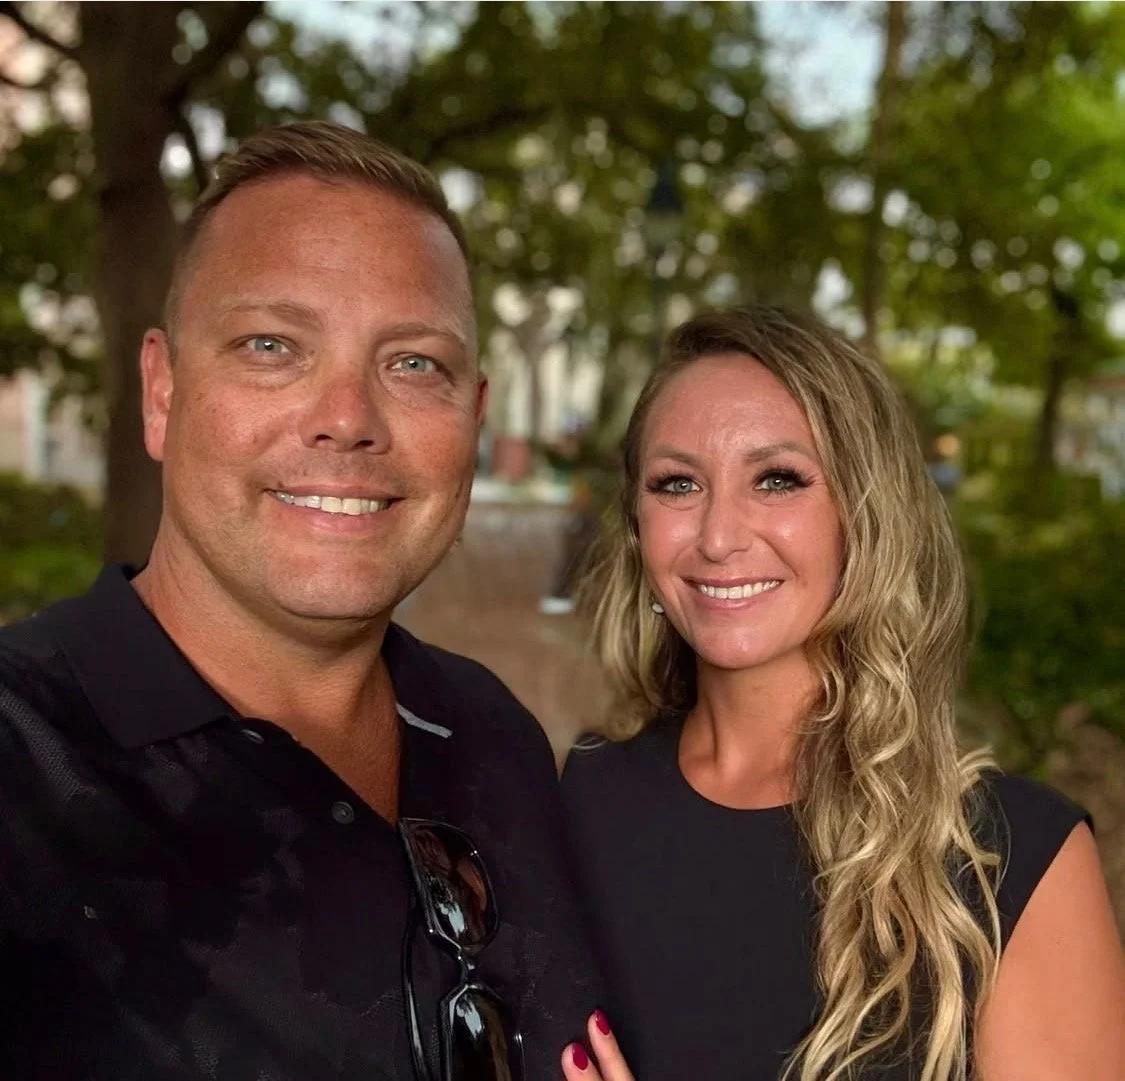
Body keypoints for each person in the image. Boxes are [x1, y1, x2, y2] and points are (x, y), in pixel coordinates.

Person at [0, 121, 601, 1080]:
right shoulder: (24, 761)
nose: (348, 420)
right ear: (162, 391)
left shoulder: (494, 735)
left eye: (413, 364)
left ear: (473, 420)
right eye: (272, 344)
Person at [560, 307, 1125, 1081]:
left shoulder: (1012, 860)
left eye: (777, 479)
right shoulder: (580, 799)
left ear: (864, 517)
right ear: (637, 524)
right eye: (677, 483)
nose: (719, 535)